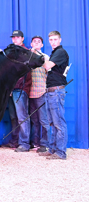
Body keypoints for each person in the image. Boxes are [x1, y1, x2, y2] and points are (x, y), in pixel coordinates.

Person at [40, 31, 69, 160]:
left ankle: (61, 152)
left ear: (60, 40)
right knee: (53, 123)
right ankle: (52, 149)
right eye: (50, 40)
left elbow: (46, 66)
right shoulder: (54, 53)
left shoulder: (60, 52)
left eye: (55, 39)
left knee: (59, 123)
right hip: (51, 91)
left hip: (56, 91)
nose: (53, 42)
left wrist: (39, 56)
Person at [9, 30, 32, 152]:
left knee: (22, 116)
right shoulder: (12, 53)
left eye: (17, 37)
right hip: (11, 89)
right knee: (13, 116)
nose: (15, 39)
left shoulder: (26, 52)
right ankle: (15, 141)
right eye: (13, 38)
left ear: (22, 39)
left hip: (20, 88)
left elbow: (24, 73)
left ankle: (24, 143)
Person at [29, 36, 49, 153]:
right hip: (30, 92)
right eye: (34, 41)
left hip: (41, 91)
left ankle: (45, 143)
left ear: (42, 45)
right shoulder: (28, 57)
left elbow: (50, 74)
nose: (36, 43)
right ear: (31, 44)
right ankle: (35, 142)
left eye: (39, 42)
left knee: (43, 120)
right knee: (34, 120)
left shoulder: (46, 57)